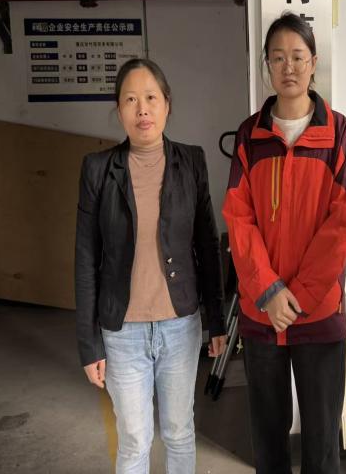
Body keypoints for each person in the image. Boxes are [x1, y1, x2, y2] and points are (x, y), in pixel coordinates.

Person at [75, 58, 227, 474]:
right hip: (122, 331)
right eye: (130, 100)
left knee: (179, 432)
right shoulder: (98, 169)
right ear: (119, 109)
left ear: (167, 104)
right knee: (134, 441)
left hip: (180, 325)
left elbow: (207, 245)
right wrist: (89, 344)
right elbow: (85, 258)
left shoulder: (191, 162)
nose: (142, 109)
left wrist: (216, 320)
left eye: (150, 98)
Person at [222, 12, 346, 474]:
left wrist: (297, 295)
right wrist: (268, 290)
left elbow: (343, 222)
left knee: (322, 442)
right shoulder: (250, 135)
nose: (289, 67)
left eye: (298, 56)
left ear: (314, 62)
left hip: (318, 314)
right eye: (278, 58)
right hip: (262, 315)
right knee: (268, 439)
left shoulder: (338, 133)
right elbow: (238, 218)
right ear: (267, 65)